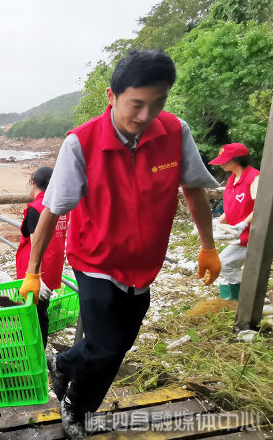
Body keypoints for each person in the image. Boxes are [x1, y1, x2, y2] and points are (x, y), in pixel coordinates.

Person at [19, 50, 221, 438]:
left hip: (145, 264)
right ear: (111, 96)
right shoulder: (81, 144)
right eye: (137, 104)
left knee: (119, 345)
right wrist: (33, 272)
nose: (146, 116)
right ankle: (76, 407)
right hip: (95, 259)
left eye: (157, 103)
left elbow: (193, 189)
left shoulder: (175, 133)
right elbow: (51, 210)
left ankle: (63, 365)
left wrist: (207, 245)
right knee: (107, 346)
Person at [15, 166, 69, 349]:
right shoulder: (61, 207)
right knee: (42, 311)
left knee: (34, 314)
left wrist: (35, 276)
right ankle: (39, 347)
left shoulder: (36, 209)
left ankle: (34, 349)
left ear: (33, 183)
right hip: (52, 268)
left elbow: (34, 243)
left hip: (34, 272)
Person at [209, 143, 259, 301]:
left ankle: (240, 301)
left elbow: (261, 206)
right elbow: (232, 206)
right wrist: (218, 220)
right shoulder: (231, 179)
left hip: (252, 235)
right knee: (225, 265)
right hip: (236, 233)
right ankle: (227, 300)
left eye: (225, 160)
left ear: (238, 159)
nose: (221, 163)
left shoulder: (254, 177)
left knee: (224, 263)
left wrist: (244, 223)